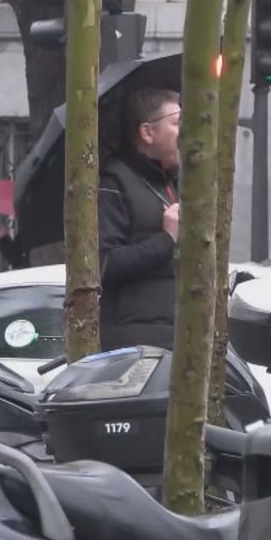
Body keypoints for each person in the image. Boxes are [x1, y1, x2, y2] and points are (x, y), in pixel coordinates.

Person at [98, 87, 182, 352]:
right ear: (148, 132)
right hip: (137, 346)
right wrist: (167, 239)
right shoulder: (114, 182)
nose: (185, 133)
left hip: (177, 335)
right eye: (177, 122)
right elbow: (104, 264)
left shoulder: (173, 182)